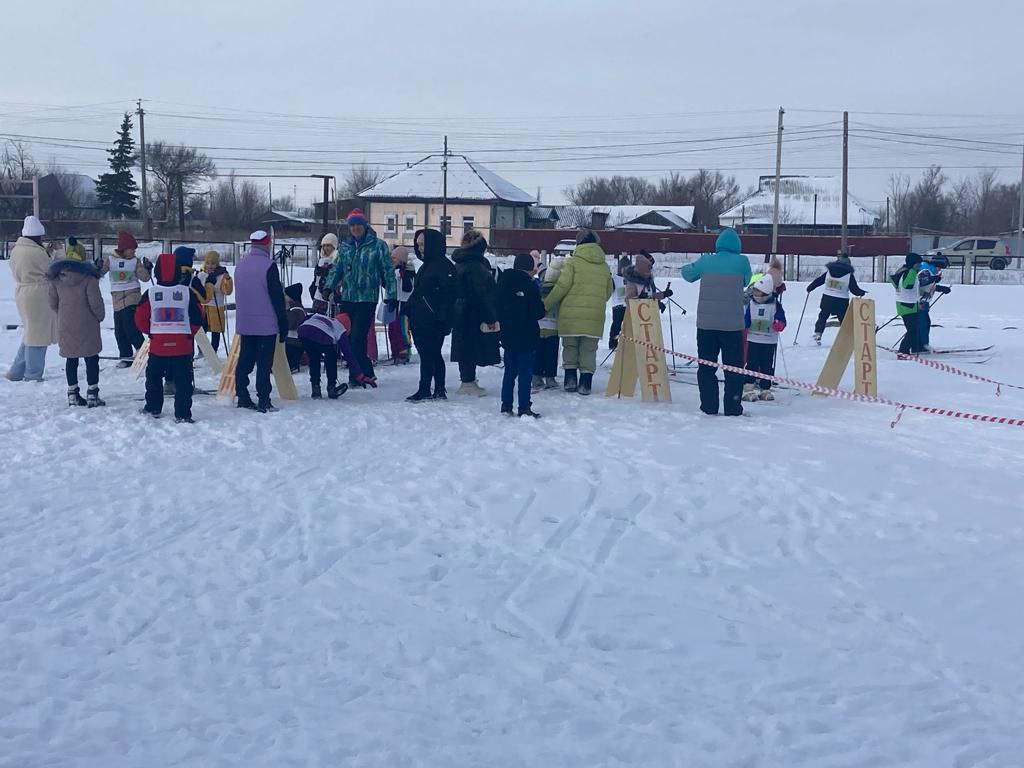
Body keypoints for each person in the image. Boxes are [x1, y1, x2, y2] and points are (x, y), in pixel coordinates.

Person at [681, 228, 752, 416]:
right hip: (732, 326)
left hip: (706, 325)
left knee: (706, 367)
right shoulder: (742, 262)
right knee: (734, 368)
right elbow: (747, 281)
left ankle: (709, 406)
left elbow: (688, 275)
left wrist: (687, 266)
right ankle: (733, 407)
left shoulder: (706, 261)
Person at [323, 209, 396, 386]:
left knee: (357, 337)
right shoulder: (345, 247)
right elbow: (337, 268)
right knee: (347, 338)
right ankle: (362, 373)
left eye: (358, 224)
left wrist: (391, 294)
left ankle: (360, 373)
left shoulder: (378, 246)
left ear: (364, 226)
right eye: (352, 225)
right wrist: (328, 286)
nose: (355, 228)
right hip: (348, 298)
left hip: (367, 298)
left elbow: (388, 270)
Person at [134, 253, 205, 422]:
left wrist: (151, 332)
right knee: (183, 382)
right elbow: (198, 316)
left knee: (153, 379)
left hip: (158, 346)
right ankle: (182, 414)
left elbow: (139, 318)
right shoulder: (187, 293)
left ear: (157, 271)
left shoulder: (150, 293)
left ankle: (153, 407)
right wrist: (189, 333)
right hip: (182, 346)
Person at [543, 228, 614, 396]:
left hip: (570, 314)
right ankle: (585, 384)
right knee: (589, 349)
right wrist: (595, 302)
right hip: (594, 315)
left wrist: (546, 304)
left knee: (570, 346)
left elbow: (562, 287)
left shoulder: (573, 263)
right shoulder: (604, 266)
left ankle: (570, 381)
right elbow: (608, 291)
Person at [234, 230, 288, 412]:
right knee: (264, 365)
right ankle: (264, 400)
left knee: (245, 361)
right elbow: (276, 297)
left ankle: (242, 396)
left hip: (245, 323)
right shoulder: (269, 266)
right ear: (267, 244)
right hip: (265, 324)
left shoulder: (240, 265)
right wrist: (283, 322)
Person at [406, 228, 457, 402]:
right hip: (422, 318)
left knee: (430, 354)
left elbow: (449, 295)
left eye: (423, 245)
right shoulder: (427, 265)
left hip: (434, 319)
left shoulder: (443, 266)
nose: (420, 248)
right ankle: (436, 389)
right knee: (430, 354)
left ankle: (427, 388)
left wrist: (442, 317)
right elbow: (419, 292)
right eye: (418, 245)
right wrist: (408, 307)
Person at [48, 254, 105, 407]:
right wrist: (100, 316)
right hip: (88, 324)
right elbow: (96, 304)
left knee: (71, 359)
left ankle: (72, 393)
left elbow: (52, 304)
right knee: (92, 358)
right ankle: (93, 392)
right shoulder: (89, 279)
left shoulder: (56, 281)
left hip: (66, 324)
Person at [6, 215, 56, 382]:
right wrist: (51, 255)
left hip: (22, 291)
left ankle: (16, 371)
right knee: (39, 335)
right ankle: (33, 374)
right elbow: (49, 269)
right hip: (38, 294)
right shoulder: (36, 252)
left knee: (30, 332)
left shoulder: (16, 250)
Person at [450, 229, 500, 396]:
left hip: (460, 312)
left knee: (464, 345)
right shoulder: (477, 267)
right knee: (471, 346)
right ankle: (468, 381)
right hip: (473, 313)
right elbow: (484, 294)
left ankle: (467, 379)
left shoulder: (460, 262)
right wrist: (491, 316)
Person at [498, 252, 546, 417]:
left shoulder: (503, 282)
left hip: (508, 333)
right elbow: (538, 312)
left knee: (509, 371)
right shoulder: (529, 285)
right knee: (525, 372)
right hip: (527, 334)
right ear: (528, 268)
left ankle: (506, 405)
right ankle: (524, 406)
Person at [298, 300, 377, 399]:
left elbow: (304, 319)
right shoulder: (340, 329)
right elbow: (349, 355)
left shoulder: (321, 316)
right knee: (331, 356)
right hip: (323, 336)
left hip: (303, 331)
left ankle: (316, 389)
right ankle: (331, 387)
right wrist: (360, 375)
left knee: (314, 358)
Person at [102, 230, 151, 367]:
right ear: (123, 248)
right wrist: (97, 267)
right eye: (131, 249)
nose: (134, 252)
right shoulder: (111, 260)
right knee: (119, 330)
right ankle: (126, 356)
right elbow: (99, 273)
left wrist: (147, 269)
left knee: (130, 326)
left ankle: (143, 351)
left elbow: (145, 278)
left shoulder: (135, 261)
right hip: (117, 298)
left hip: (132, 296)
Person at [743, 274, 786, 402]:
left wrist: (780, 324)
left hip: (769, 341)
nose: (755, 294)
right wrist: (744, 325)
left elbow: (782, 319)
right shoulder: (751, 304)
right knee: (752, 364)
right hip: (753, 340)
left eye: (758, 291)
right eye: (755, 291)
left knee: (767, 365)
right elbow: (747, 319)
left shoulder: (775, 305)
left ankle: (765, 388)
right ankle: (748, 388)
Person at [806, 253, 866, 344]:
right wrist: (861, 292)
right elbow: (854, 290)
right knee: (843, 319)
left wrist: (810, 287)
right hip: (841, 301)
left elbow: (819, 281)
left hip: (827, 298)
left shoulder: (829, 272)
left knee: (823, 316)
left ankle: (818, 333)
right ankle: (847, 337)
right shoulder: (849, 275)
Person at [533, 256, 564, 392]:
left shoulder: (536, 289)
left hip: (538, 328)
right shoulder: (558, 292)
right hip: (553, 328)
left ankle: (537, 376)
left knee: (538, 353)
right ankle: (550, 377)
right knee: (551, 355)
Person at [196, 250, 233, 352]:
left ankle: (214, 350)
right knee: (201, 330)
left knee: (216, 331)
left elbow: (227, 291)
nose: (210, 266)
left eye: (213, 264)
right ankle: (202, 350)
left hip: (216, 307)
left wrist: (228, 280)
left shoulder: (221, 275)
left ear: (217, 264)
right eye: (208, 263)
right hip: (204, 306)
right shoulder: (201, 274)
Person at [891, 253, 924, 355]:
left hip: (905, 304)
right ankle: (903, 351)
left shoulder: (903, 270)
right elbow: (907, 285)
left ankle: (913, 347)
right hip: (908, 304)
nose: (919, 266)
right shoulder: (911, 272)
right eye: (918, 264)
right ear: (913, 264)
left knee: (913, 329)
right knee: (912, 330)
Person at [918, 255, 951, 352]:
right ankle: (922, 345)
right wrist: (934, 279)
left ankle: (923, 344)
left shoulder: (930, 271)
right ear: (935, 265)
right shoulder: (925, 270)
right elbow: (921, 282)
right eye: (939, 267)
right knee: (923, 323)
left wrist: (941, 288)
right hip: (920, 302)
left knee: (926, 322)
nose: (939, 270)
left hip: (924, 302)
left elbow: (929, 284)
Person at [388, 245, 416, 363]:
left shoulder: (408, 271)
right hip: (396, 301)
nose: (392, 261)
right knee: (393, 327)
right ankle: (395, 350)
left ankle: (404, 350)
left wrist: (403, 274)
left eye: (394, 258)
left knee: (402, 327)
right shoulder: (394, 271)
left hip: (405, 303)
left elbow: (407, 288)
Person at [608, 255, 631, 351]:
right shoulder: (615, 278)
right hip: (618, 306)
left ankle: (628, 342)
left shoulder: (632, 279)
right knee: (616, 325)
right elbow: (610, 289)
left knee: (629, 326)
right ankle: (613, 343)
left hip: (629, 306)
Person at [310, 232, 338, 305]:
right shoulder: (321, 260)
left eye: (328, 245)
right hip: (317, 298)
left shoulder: (337, 261)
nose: (326, 248)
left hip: (330, 299)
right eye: (324, 246)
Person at [284, 283, 306, 373]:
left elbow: (289, 324)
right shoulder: (294, 308)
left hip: (293, 342)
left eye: (286, 295)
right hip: (292, 341)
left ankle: (293, 364)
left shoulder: (295, 309)